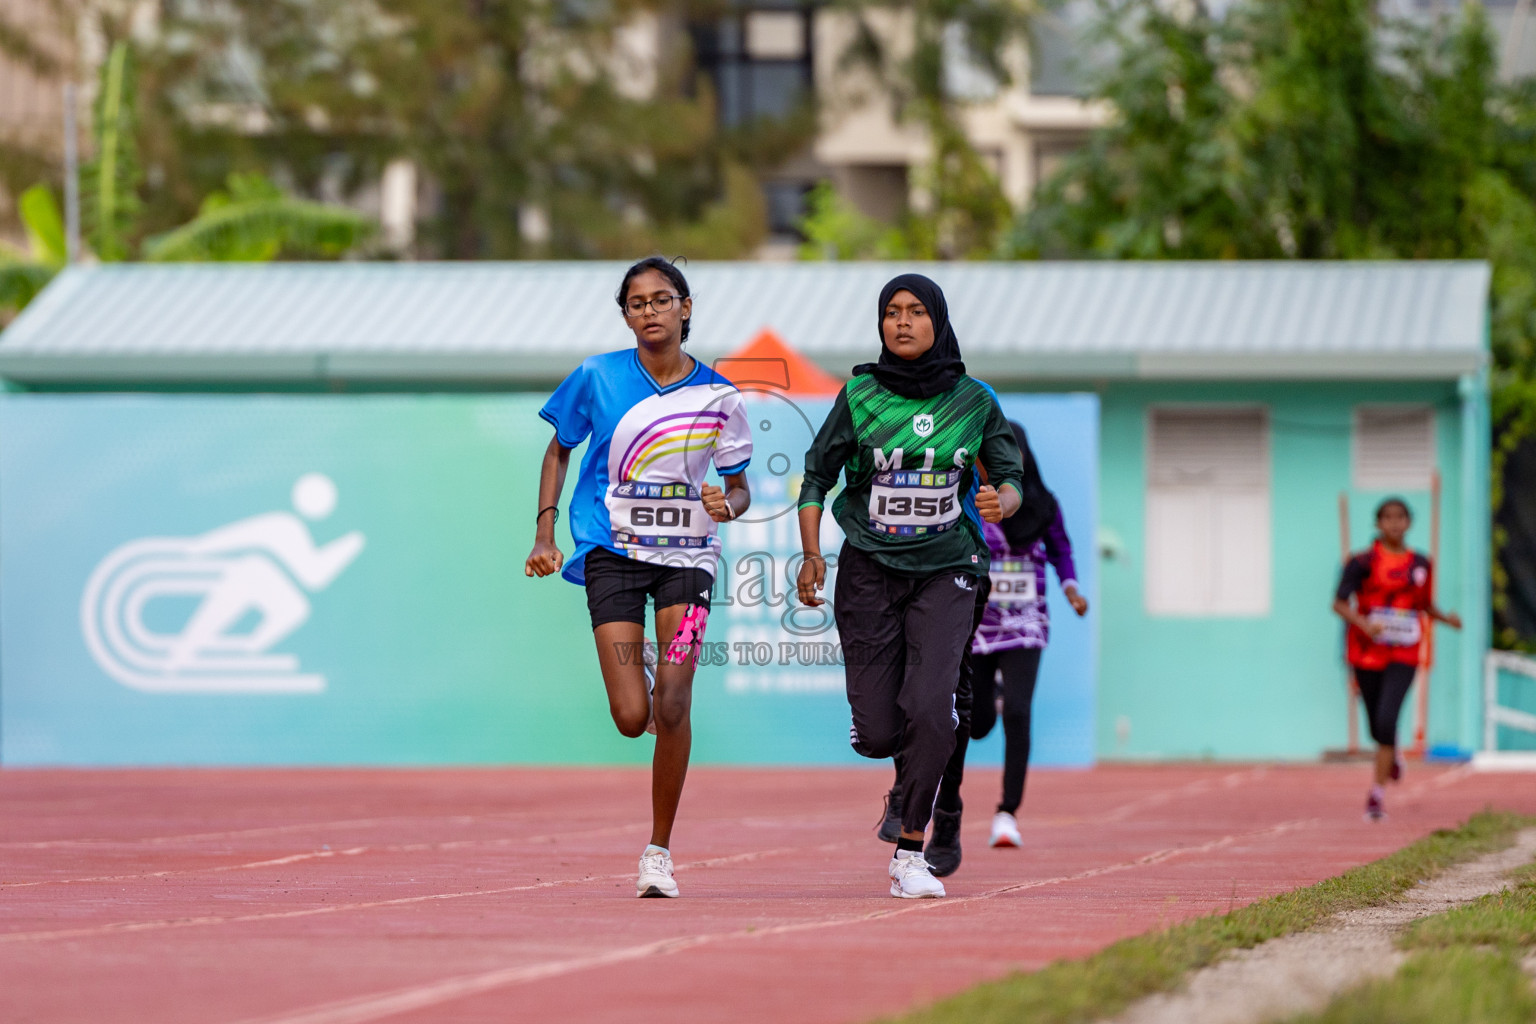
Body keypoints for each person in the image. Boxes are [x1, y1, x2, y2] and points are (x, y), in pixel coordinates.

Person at [796, 273, 1031, 899]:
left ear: (939, 321)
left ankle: (910, 851)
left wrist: (1000, 499)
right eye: (892, 313)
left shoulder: (974, 400)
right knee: (878, 731)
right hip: (870, 569)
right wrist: (811, 553)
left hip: (949, 567)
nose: (902, 322)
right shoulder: (860, 395)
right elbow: (816, 477)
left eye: (916, 312)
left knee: (932, 709)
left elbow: (1011, 475)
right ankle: (912, 766)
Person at [526, 256, 752, 897]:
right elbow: (558, 449)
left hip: (689, 561)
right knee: (632, 716)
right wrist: (545, 532)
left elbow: (740, 491)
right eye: (636, 303)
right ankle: (646, 677)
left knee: (674, 704)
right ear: (624, 315)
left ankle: (658, 852)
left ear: (686, 307)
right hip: (612, 554)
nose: (649, 311)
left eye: (661, 299)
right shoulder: (596, 376)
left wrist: (723, 505)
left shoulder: (719, 395)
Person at [879, 423, 1087, 876]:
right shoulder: (967, 498)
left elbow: (1061, 550)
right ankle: (985, 703)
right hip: (973, 621)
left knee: (1018, 710)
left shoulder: (1043, 504)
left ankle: (1007, 812)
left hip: (1027, 624)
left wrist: (1070, 588)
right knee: (972, 723)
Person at [1333, 497, 1460, 821]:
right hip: (1366, 651)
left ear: (1408, 522)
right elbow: (1339, 603)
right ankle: (1393, 754)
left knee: (1388, 719)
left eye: (1400, 517)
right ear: (1378, 523)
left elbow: (1424, 605)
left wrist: (1447, 619)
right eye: (1387, 517)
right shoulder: (1361, 562)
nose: (1394, 523)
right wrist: (1364, 624)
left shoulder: (1420, 564)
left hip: (1404, 651)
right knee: (1376, 726)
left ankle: (1376, 796)